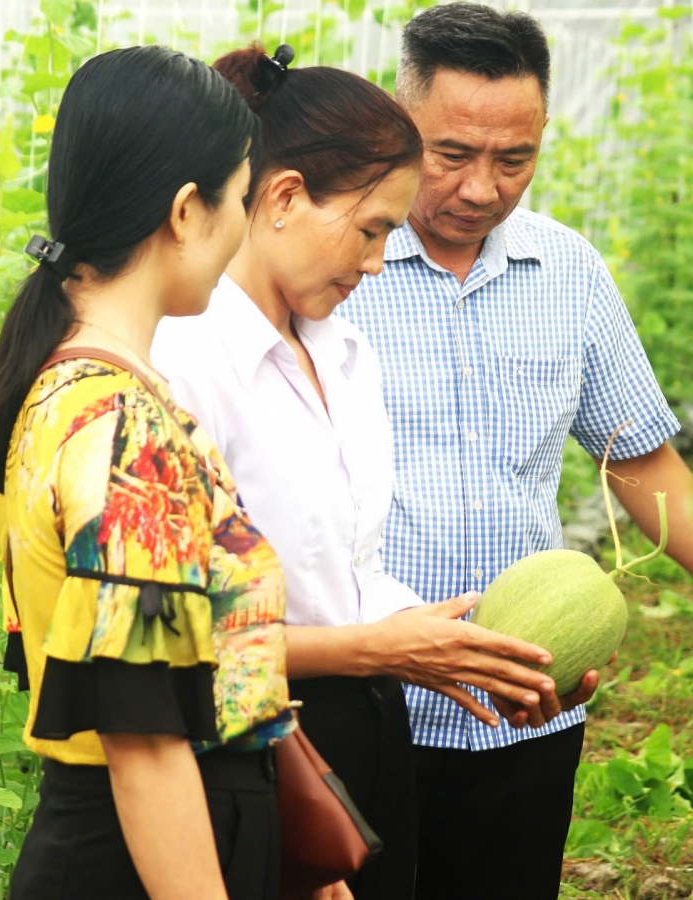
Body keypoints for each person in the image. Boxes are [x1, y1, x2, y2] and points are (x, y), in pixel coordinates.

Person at [338, 6, 693, 898]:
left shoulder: (568, 272)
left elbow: (638, 459)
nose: (481, 189)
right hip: (365, 710)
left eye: (514, 160)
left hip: (528, 710)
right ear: (400, 124)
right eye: (451, 154)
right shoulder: (338, 274)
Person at [150, 43, 561, 900]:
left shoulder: (343, 354)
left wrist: (473, 651)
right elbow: (174, 641)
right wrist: (382, 647)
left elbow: (351, 573)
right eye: (371, 229)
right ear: (285, 197)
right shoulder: (185, 361)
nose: (377, 263)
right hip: (243, 740)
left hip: (362, 732)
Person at [0, 46, 294, 900]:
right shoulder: (120, 429)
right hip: (143, 855)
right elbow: (143, 739)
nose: (243, 232)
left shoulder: (56, 385)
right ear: (187, 210)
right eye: (243, 201)